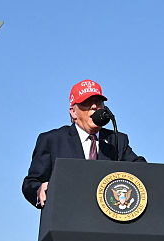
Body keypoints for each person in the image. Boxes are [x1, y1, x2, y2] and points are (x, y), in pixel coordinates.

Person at [22, 79, 145, 207]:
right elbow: (31, 183)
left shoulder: (117, 140)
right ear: (73, 112)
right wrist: (39, 190)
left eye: (98, 102)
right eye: (87, 103)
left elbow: (142, 169)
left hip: (109, 223)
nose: (94, 107)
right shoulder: (52, 141)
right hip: (67, 218)